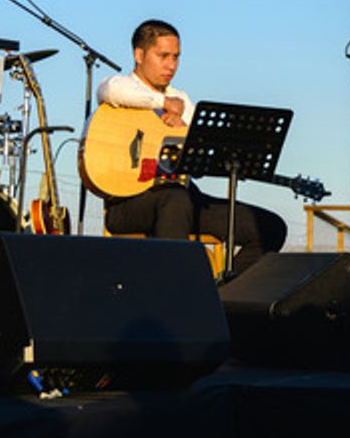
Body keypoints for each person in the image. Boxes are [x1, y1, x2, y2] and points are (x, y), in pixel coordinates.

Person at [97, 19, 286, 276]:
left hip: (183, 197)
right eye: (163, 56)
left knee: (269, 227)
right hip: (128, 203)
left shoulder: (183, 100)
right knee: (174, 199)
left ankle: (222, 298)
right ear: (139, 55)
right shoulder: (122, 88)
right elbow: (109, 89)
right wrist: (163, 101)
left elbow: (204, 151)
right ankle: (174, 292)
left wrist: (185, 136)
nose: (171, 65)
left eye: (176, 57)